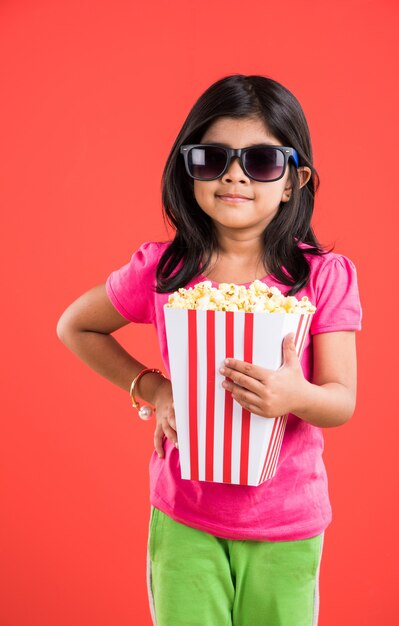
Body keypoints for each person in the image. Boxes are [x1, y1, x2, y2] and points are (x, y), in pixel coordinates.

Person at [57, 74, 362, 626]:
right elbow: (75, 326)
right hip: (185, 514)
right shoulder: (164, 270)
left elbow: (341, 400)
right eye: (211, 158)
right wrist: (153, 387)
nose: (235, 175)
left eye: (263, 160)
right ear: (187, 168)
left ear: (295, 181)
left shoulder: (322, 276)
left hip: (288, 521)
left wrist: (295, 395)